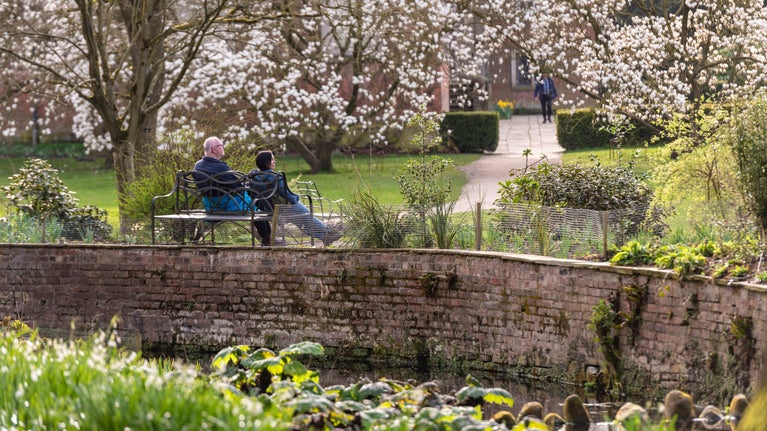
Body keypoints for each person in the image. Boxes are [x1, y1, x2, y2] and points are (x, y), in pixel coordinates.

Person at [248, 150, 341, 245]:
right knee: (304, 214)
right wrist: (296, 198)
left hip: (267, 208)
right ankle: (327, 233)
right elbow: (287, 195)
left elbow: (251, 194)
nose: (275, 161)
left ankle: (325, 235)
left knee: (301, 218)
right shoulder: (275, 176)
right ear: (266, 162)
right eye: (272, 160)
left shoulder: (254, 177)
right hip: (281, 209)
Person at [193, 137, 273, 245]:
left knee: (253, 199)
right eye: (221, 145)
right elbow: (237, 186)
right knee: (257, 203)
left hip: (210, 205)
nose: (223, 147)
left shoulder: (198, 165)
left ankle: (267, 237)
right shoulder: (221, 167)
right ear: (214, 149)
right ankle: (267, 238)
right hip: (229, 205)